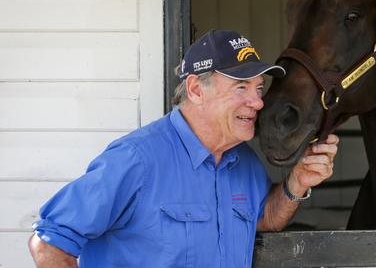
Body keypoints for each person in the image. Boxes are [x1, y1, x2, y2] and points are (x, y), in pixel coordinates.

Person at [28, 30, 339, 267]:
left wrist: (297, 182)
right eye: (241, 87)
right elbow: (49, 243)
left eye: (259, 89)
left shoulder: (243, 161)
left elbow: (265, 217)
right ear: (195, 89)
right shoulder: (136, 160)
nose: (257, 102)